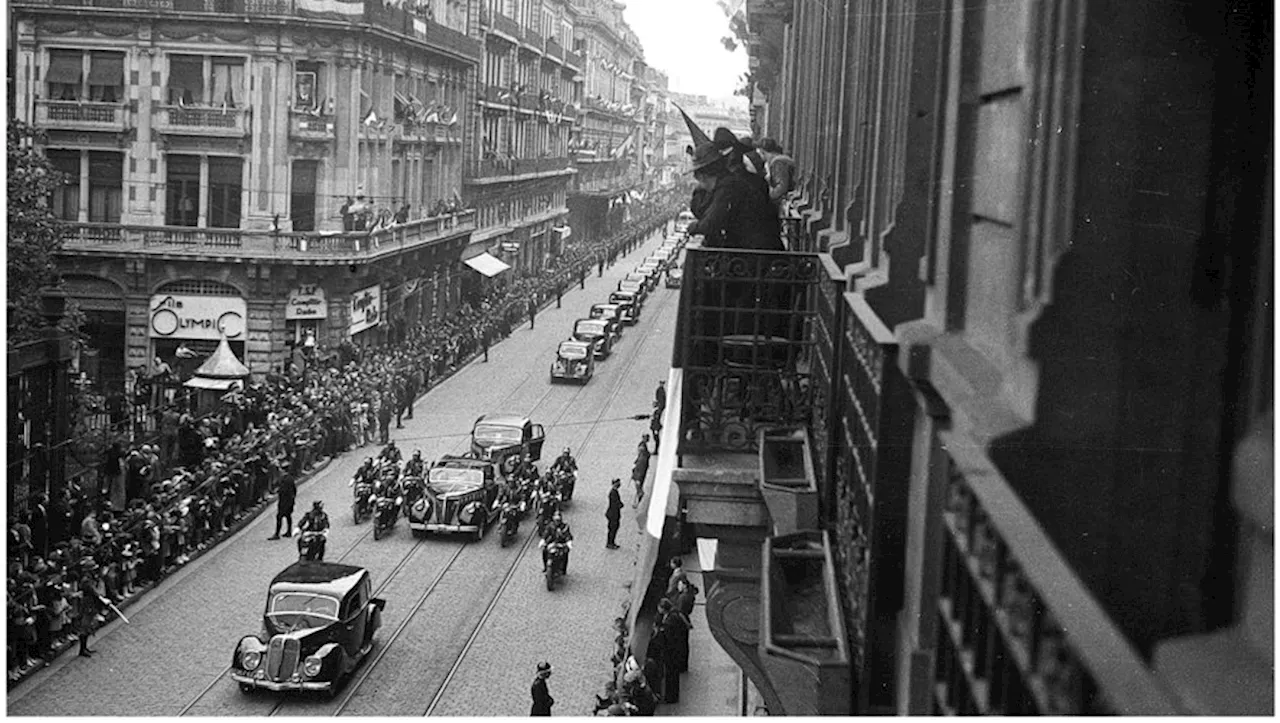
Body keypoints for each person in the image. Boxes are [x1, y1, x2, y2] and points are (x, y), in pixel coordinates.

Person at [684, 141, 782, 251]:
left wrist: (693, 227)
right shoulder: (730, 182)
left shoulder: (727, 187)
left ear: (703, 176)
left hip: (758, 255)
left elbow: (710, 222)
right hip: (758, 251)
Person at [269, 473, 296, 540]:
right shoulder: (290, 478)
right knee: (288, 516)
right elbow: (294, 490)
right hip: (290, 501)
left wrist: (278, 490)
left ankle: (277, 534)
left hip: (284, 502)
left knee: (279, 517)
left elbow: (283, 490)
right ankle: (289, 531)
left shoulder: (284, 480)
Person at [631, 435, 651, 507]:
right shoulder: (642, 457)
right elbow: (640, 468)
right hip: (639, 474)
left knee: (639, 487)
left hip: (639, 473)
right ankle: (637, 501)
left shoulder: (642, 454)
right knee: (639, 487)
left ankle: (637, 501)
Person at [605, 478, 623, 550]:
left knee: (613, 529)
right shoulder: (613, 493)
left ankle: (611, 542)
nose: (619, 484)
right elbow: (615, 503)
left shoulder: (614, 492)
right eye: (618, 482)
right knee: (612, 529)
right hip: (613, 514)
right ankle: (610, 543)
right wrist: (620, 505)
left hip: (614, 514)